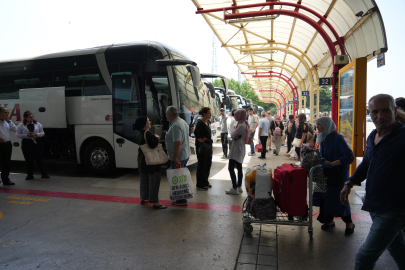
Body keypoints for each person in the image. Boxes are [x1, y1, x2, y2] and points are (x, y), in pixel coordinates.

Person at [341, 94, 405, 270]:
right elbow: (367, 163)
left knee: (364, 258)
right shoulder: (372, 137)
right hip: (375, 205)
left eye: (385, 110)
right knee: (399, 251)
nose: (379, 116)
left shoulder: (402, 137)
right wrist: (349, 183)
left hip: (394, 208)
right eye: (374, 112)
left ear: (395, 111)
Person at [312, 116, 355, 234]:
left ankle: (349, 223)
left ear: (327, 125)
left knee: (340, 199)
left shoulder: (337, 138)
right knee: (325, 198)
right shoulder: (323, 137)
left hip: (338, 175)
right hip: (326, 174)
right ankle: (329, 221)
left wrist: (333, 163)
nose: (317, 127)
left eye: (320, 124)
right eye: (317, 124)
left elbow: (349, 156)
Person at [133, 116, 167, 209]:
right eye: (148, 121)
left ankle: (144, 198)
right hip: (151, 162)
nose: (150, 123)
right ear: (144, 124)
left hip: (142, 161)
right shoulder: (148, 133)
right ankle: (156, 203)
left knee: (144, 181)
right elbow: (152, 145)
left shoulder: (139, 133)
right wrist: (156, 137)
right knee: (154, 182)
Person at [165, 106, 191, 206]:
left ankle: (181, 199)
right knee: (181, 178)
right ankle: (182, 198)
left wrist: (175, 158)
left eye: (166, 114)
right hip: (184, 154)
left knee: (178, 179)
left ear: (171, 114)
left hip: (179, 157)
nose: (166, 116)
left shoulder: (176, 125)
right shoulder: (182, 121)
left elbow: (178, 143)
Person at [16, 111, 49, 180]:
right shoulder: (21, 125)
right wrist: (26, 135)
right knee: (29, 159)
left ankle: (44, 174)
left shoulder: (37, 124)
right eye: (30, 117)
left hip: (37, 142)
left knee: (39, 158)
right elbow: (17, 135)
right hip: (27, 142)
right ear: (26, 118)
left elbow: (42, 133)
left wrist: (36, 134)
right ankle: (30, 175)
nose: (32, 118)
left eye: (32, 117)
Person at [226, 109, 249, 195]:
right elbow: (234, 135)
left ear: (240, 115)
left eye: (236, 115)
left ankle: (234, 188)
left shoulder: (241, 126)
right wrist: (235, 135)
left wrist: (234, 135)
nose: (234, 116)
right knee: (239, 167)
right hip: (240, 146)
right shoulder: (243, 123)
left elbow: (231, 135)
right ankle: (239, 187)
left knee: (230, 167)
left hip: (237, 148)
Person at [194, 107, 213, 191]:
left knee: (208, 164)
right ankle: (200, 184)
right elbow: (196, 132)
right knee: (202, 165)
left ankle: (205, 181)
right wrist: (200, 140)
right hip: (202, 147)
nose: (210, 115)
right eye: (209, 113)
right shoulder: (200, 123)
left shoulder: (207, 122)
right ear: (204, 114)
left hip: (208, 146)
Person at [0, 107, 17, 185]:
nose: (7, 114)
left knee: (6, 163)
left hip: (7, 145)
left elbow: (15, 129)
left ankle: (6, 180)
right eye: (5, 113)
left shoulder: (8, 122)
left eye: (8, 113)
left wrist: (9, 121)